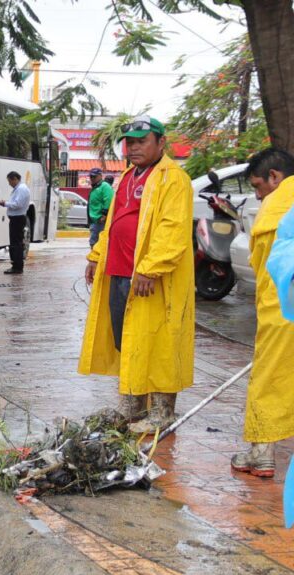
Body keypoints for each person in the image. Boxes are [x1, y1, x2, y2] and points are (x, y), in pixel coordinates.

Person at [78, 115, 194, 434]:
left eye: (142, 140)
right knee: (126, 339)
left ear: (161, 142)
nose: (135, 147)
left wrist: (150, 268)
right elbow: (114, 222)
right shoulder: (128, 176)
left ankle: (162, 409)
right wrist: (96, 256)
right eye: (130, 142)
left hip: (148, 277)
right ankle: (133, 405)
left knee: (157, 340)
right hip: (118, 271)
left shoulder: (173, 178)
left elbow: (173, 229)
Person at [228, 148, 294, 478]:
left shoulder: (275, 209)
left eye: (257, 186)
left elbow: (260, 265)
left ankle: (261, 454)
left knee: (268, 379)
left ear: (274, 177)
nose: (257, 195)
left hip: (282, 312)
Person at [0, 171, 31, 274]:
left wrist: (5, 204)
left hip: (17, 219)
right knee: (16, 243)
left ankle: (17, 267)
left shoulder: (21, 189)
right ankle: (16, 265)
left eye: (10, 181)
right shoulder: (20, 188)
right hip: (17, 218)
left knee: (16, 244)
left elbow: (17, 204)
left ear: (15, 179)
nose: (9, 184)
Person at [87, 167, 113, 249]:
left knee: (95, 243)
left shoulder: (104, 186)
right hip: (94, 219)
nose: (92, 178)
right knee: (94, 242)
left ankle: (96, 260)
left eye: (94, 176)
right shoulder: (95, 187)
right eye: (91, 177)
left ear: (100, 176)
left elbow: (109, 200)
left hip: (100, 220)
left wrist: (104, 215)